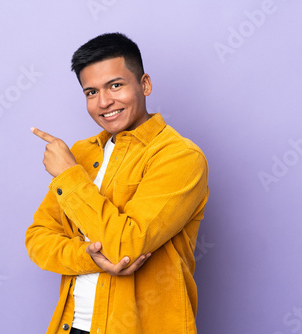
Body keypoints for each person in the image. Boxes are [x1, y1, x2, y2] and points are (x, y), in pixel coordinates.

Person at [25, 32, 209, 334]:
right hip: (71, 326)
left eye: (115, 85)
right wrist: (90, 257)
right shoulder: (82, 153)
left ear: (144, 84)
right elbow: (38, 238)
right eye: (91, 92)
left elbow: (127, 246)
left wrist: (68, 175)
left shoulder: (180, 157)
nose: (104, 102)